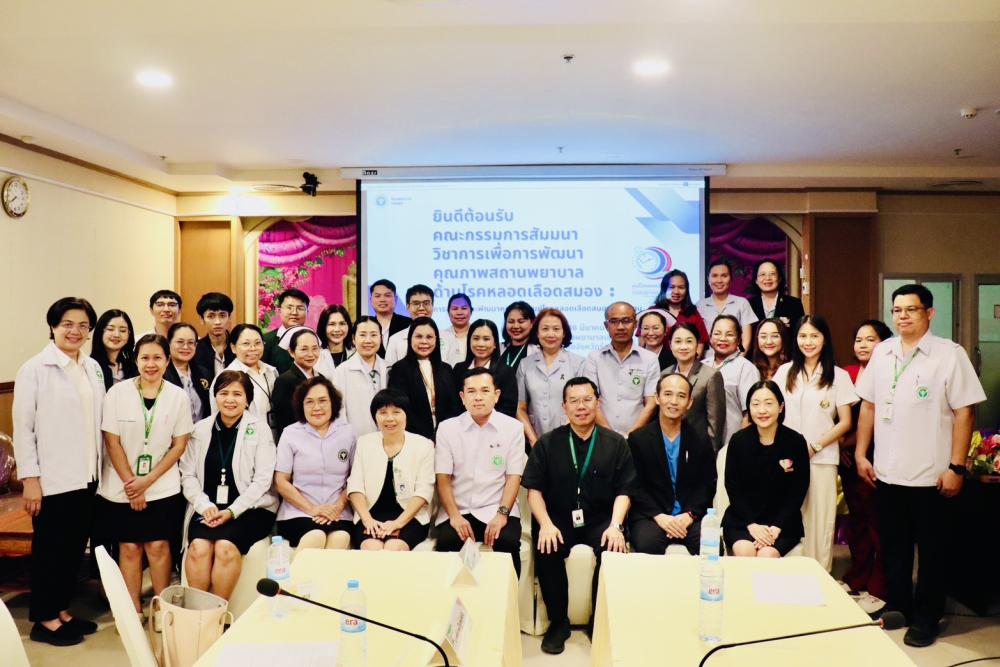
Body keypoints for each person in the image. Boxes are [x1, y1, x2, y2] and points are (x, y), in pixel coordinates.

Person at [855, 284, 985, 648]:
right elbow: (868, 405)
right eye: (897, 310)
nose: (903, 316)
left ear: (929, 313)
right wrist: (862, 454)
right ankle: (899, 606)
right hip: (888, 473)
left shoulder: (949, 355)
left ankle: (927, 617)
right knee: (893, 549)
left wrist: (956, 468)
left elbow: (965, 412)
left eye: (911, 309)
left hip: (932, 476)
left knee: (932, 553)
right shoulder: (882, 352)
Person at [13, 297, 104, 646]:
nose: (75, 331)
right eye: (67, 324)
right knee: (51, 551)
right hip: (52, 480)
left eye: (83, 325)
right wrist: (31, 480)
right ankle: (44, 619)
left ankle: (61, 610)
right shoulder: (35, 369)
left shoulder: (91, 367)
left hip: (86, 475)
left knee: (72, 550)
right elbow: (24, 429)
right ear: (53, 326)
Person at [522, 377, 636, 653]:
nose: (581, 406)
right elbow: (534, 492)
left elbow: (625, 491)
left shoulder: (616, 443)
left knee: (612, 547)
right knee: (547, 547)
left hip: (601, 518)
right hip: (558, 518)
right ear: (564, 406)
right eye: (573, 401)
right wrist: (545, 524)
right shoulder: (548, 443)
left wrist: (615, 525)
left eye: (587, 400)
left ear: (598, 403)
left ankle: (600, 621)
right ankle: (558, 623)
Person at [98, 334, 193, 617]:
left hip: (162, 485)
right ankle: (133, 611)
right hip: (121, 485)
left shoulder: (177, 396)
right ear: (136, 360)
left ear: (167, 361)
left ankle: (161, 609)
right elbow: (112, 442)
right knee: (129, 548)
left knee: (158, 546)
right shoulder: (117, 394)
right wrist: (133, 485)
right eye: (145, 358)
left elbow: (179, 444)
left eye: (157, 358)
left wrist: (147, 482)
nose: (151, 364)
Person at [180, 370, 278, 599]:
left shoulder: (260, 429)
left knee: (225, 547)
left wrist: (233, 511)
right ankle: (198, 612)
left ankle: (217, 613)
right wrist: (204, 505)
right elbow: (187, 475)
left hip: (250, 509)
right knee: (199, 547)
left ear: (247, 399)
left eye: (237, 394)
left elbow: (263, 480)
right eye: (224, 393)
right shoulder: (200, 429)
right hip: (208, 509)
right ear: (215, 397)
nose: (230, 400)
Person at [773, 315, 857, 571]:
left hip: (821, 458)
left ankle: (820, 574)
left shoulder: (839, 375)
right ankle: (789, 573)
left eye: (814, 336)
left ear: (824, 339)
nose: (808, 342)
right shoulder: (784, 372)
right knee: (787, 516)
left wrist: (814, 447)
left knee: (821, 522)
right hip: (786, 459)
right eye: (803, 336)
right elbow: (774, 411)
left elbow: (845, 422)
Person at [434, 368, 527, 577]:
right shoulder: (447, 428)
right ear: (462, 397)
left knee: (507, 542)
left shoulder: (513, 428)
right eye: (471, 391)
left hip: (496, 507)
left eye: (485, 391)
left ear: (496, 395)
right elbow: (443, 478)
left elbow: (513, 476)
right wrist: (455, 516)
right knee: (447, 542)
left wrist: (501, 515)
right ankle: (457, 598)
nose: (478, 397)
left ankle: (506, 597)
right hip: (459, 508)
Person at [839, 319, 893, 614]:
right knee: (857, 520)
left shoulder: (890, 373)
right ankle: (857, 576)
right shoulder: (846, 374)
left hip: (877, 455)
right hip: (848, 458)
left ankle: (879, 585)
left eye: (870, 339)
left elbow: (876, 419)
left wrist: (850, 445)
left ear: (884, 344)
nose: (862, 344)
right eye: (858, 339)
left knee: (878, 523)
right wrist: (840, 447)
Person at [629, 373, 717, 555]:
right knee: (648, 543)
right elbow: (635, 486)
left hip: (688, 515)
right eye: (668, 394)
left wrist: (689, 515)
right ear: (657, 398)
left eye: (681, 396)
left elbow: (707, 484)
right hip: (652, 516)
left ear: (689, 402)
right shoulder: (639, 439)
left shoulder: (700, 439)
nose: (674, 401)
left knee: (710, 545)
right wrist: (660, 517)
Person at [722, 381, 809, 558]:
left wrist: (776, 527)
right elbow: (733, 488)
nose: (762, 410)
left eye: (769, 403)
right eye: (755, 404)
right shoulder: (738, 441)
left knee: (766, 555)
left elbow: (798, 491)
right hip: (743, 520)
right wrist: (752, 525)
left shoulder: (796, 442)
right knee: (745, 551)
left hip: (782, 524)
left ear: (781, 407)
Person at [273, 376, 356, 551]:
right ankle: (300, 571)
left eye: (322, 401)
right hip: (298, 512)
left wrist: (338, 507)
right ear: (301, 405)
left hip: (338, 512)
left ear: (333, 403)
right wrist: (312, 509)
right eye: (309, 402)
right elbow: (281, 481)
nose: (316, 407)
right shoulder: (290, 433)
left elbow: (355, 478)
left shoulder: (348, 432)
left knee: (340, 537)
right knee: (315, 535)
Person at [347, 390, 435, 551]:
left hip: (410, 517)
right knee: (372, 548)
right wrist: (367, 520)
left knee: (393, 548)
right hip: (370, 515)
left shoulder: (423, 445)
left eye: (396, 412)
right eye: (382, 413)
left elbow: (424, 492)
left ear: (406, 415)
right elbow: (355, 486)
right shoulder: (364, 443)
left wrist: (397, 523)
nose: (389, 418)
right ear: (375, 417)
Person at [582, 302, 660, 435]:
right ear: (606, 326)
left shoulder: (650, 359)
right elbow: (590, 400)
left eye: (626, 321)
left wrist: (632, 434)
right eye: (614, 321)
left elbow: (651, 403)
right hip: (601, 436)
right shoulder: (594, 358)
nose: (620, 327)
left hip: (638, 436)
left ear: (635, 324)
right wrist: (611, 437)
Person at [516, 309, 585, 447]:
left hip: (570, 440)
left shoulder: (578, 363)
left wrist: (565, 438)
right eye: (545, 329)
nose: (550, 334)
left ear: (564, 333)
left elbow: (582, 406)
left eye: (556, 329)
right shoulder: (525, 364)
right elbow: (520, 408)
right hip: (535, 440)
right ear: (537, 333)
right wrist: (534, 442)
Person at [386, 317, 462, 441]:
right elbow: (399, 408)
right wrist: (425, 438)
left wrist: (442, 434)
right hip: (413, 438)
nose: (424, 341)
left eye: (429, 337)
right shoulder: (399, 369)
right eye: (419, 337)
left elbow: (454, 407)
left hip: (445, 436)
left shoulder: (446, 369)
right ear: (410, 339)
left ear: (436, 339)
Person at [663, 323, 726, 452]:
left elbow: (715, 423)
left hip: (698, 448)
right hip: (668, 447)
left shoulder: (711, 376)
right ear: (670, 344)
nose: (683, 346)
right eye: (678, 341)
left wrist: (711, 454)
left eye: (689, 341)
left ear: (697, 344)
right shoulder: (664, 374)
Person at [705, 315, 761, 449]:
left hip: (731, 443)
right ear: (710, 337)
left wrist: (740, 445)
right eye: (717, 333)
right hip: (702, 445)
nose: (722, 338)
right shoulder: (701, 365)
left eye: (729, 334)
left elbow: (750, 413)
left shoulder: (746, 368)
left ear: (739, 339)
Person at [212, 324, 278, 428]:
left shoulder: (271, 371)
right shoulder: (225, 377)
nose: (253, 348)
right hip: (245, 434)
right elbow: (218, 416)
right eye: (246, 344)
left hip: (273, 432)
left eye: (257, 343)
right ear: (233, 348)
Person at [331, 316, 388, 436]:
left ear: (381, 338)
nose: (368, 340)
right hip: (356, 440)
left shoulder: (389, 368)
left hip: (386, 438)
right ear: (353, 339)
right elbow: (339, 412)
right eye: (362, 335)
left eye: (373, 335)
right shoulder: (342, 371)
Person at [453, 318, 518, 418]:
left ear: (495, 343)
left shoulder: (506, 372)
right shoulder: (459, 369)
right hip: (463, 426)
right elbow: (453, 405)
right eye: (476, 338)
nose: (481, 344)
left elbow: (508, 409)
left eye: (486, 339)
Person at [696, 260, 757, 353]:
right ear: (708, 279)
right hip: (707, 360)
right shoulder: (699, 306)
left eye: (724, 276)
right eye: (715, 276)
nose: (719, 280)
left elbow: (746, 342)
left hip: (735, 359)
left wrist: (737, 359)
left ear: (731, 279)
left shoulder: (742, 303)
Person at [270, 329, 323, 436]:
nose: (311, 354)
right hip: (297, 440)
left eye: (315, 348)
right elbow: (284, 421)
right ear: (291, 352)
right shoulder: (284, 381)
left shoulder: (322, 378)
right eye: (304, 349)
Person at [654, 269, 709, 357]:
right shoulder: (654, 312)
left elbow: (701, 342)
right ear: (664, 288)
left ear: (686, 290)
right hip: (656, 363)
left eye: (681, 287)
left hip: (687, 362)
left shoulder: (693, 314)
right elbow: (643, 340)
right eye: (672, 287)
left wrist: (693, 362)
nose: (676, 291)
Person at [164, 323, 212, 423]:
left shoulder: (204, 373)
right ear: (168, 343)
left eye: (190, 342)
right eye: (180, 342)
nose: (186, 347)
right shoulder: (161, 375)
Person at [384, 284, 436, 367]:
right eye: (416, 303)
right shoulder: (395, 339)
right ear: (408, 307)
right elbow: (389, 371)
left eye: (426, 303)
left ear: (432, 306)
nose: (421, 308)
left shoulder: (448, 338)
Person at [262, 288, 310, 373]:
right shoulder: (266, 341)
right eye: (289, 307)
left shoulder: (314, 340)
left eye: (300, 308)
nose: (294, 312)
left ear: (307, 312)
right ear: (279, 311)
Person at [747, 259, 805, 326]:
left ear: (779, 278)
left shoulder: (794, 304)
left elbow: (800, 330)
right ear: (756, 280)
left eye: (772, 274)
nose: (768, 278)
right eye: (762, 274)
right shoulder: (748, 305)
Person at [91, 309, 137, 390]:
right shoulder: (90, 365)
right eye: (110, 329)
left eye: (123, 330)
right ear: (100, 332)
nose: (116, 335)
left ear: (129, 334)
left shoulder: (134, 365)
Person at [194, 292, 235, 378]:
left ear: (230, 317)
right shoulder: (196, 349)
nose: (217, 322)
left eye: (222, 315)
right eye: (211, 316)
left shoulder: (238, 346)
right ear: (202, 319)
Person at [369, 279, 412, 350]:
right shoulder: (366, 325)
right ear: (371, 300)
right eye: (377, 296)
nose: (382, 300)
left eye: (387, 295)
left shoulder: (408, 324)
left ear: (396, 299)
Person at [314, 304, 354, 377]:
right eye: (331, 324)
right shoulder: (315, 355)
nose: (337, 329)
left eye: (342, 323)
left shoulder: (356, 353)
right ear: (323, 327)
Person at [499, 301, 538, 372]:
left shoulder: (538, 352)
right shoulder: (498, 349)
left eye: (521, 321)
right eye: (511, 322)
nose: (516, 326)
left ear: (532, 323)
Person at [440, 292, 473, 366]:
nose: (459, 312)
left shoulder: (478, 334)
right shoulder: (441, 336)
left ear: (471, 311)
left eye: (464, 308)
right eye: (455, 308)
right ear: (448, 312)